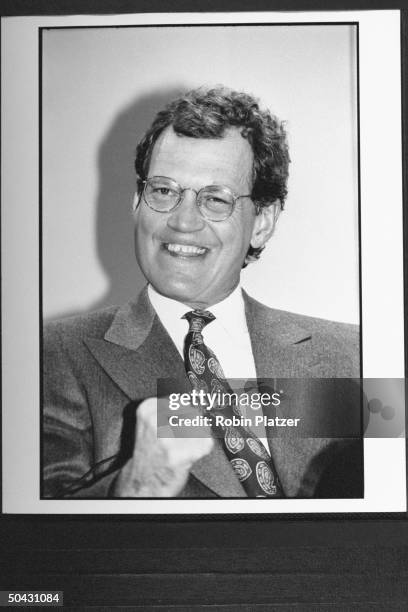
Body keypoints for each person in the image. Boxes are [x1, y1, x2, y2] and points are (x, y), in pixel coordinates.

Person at [43, 86, 362, 499]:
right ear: (138, 199)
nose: (183, 222)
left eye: (215, 199)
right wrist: (134, 487)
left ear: (262, 221)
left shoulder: (352, 356)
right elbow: (30, 543)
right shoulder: (54, 355)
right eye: (163, 191)